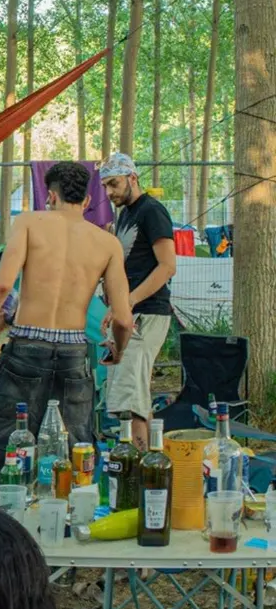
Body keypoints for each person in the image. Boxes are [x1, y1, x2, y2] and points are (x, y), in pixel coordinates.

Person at [0, 161, 133, 509]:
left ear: (50, 195)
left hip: (27, 347)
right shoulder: (107, 243)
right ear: (88, 198)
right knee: (75, 453)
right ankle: (62, 547)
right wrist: (118, 350)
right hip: (75, 352)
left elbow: (2, 284)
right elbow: (123, 318)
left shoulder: (30, 223)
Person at [100, 152, 177, 451]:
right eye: (105, 186)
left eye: (114, 184)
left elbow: (167, 266)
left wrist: (128, 302)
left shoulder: (152, 211)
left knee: (129, 398)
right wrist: (114, 308)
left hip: (148, 313)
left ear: (133, 177)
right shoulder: (125, 214)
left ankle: (144, 469)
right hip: (126, 312)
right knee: (131, 395)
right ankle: (148, 463)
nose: (109, 193)